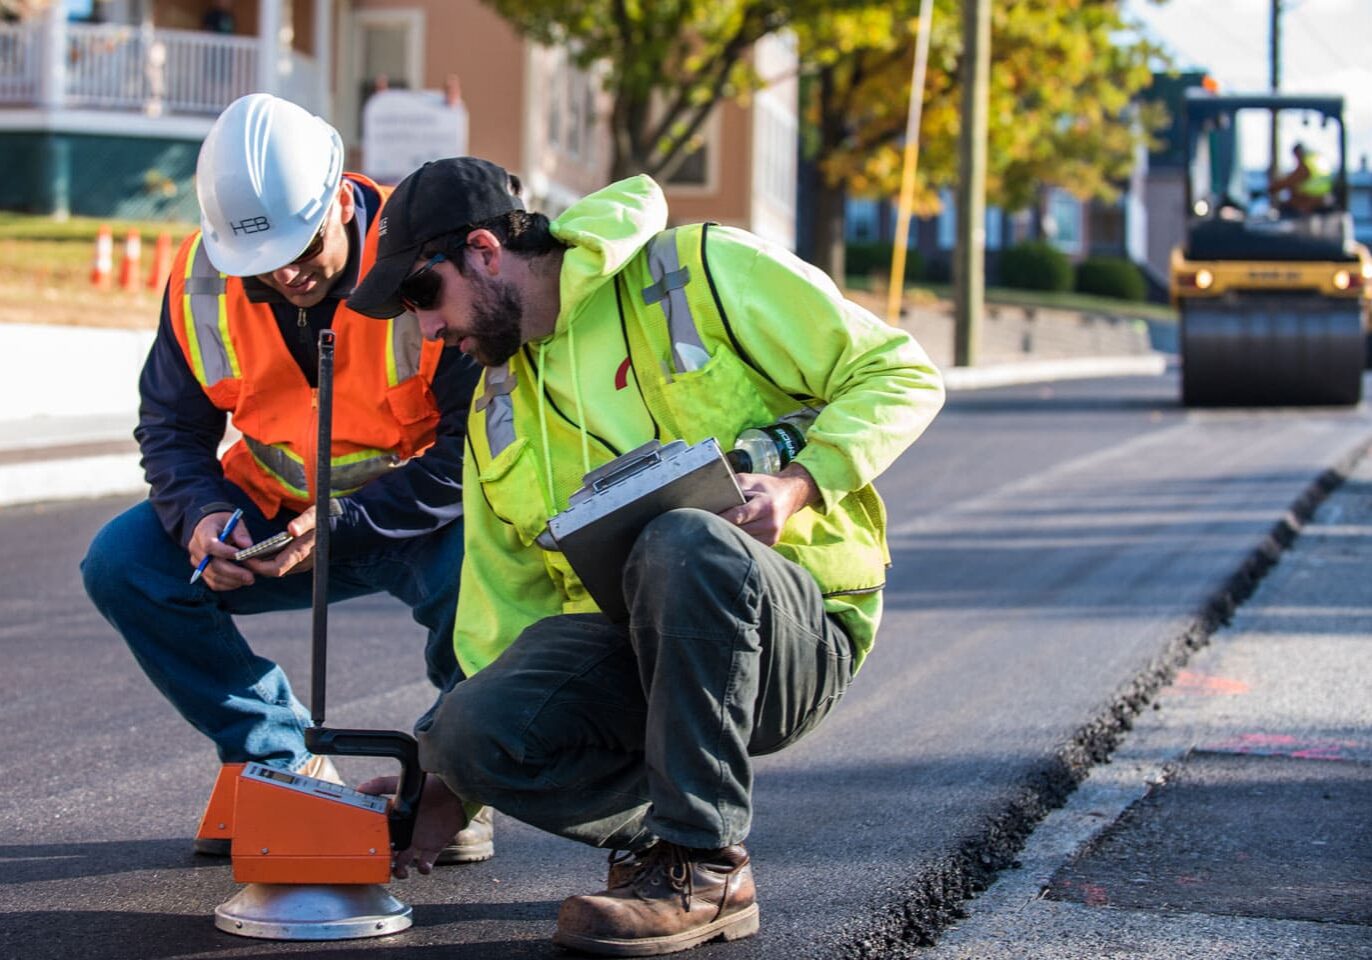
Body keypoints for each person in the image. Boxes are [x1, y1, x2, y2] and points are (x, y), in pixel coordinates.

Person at [347, 158, 945, 955]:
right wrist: (454, 783)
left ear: (486, 251)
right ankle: (663, 846)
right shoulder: (495, 411)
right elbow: (503, 619)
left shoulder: (700, 269)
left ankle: (703, 867)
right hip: (642, 656)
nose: (426, 329)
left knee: (683, 539)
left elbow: (901, 372)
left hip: (790, 634)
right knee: (467, 728)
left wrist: (798, 485)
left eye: (423, 294)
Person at [80, 96, 495, 865]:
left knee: (484, 575)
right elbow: (172, 428)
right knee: (124, 563)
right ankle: (277, 757)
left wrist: (347, 522)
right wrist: (203, 517)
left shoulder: (422, 263)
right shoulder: (202, 280)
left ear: (341, 199)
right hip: (270, 515)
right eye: (262, 259)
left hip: (410, 519)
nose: (286, 272)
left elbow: (468, 452)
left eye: (302, 246)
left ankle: (451, 783)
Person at [1269, 142, 1333, 216]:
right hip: (1325, 197)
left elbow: (1291, 181)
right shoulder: (1317, 159)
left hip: (1313, 200)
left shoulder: (1307, 164)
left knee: (1286, 206)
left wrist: (1273, 188)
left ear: (1298, 153)